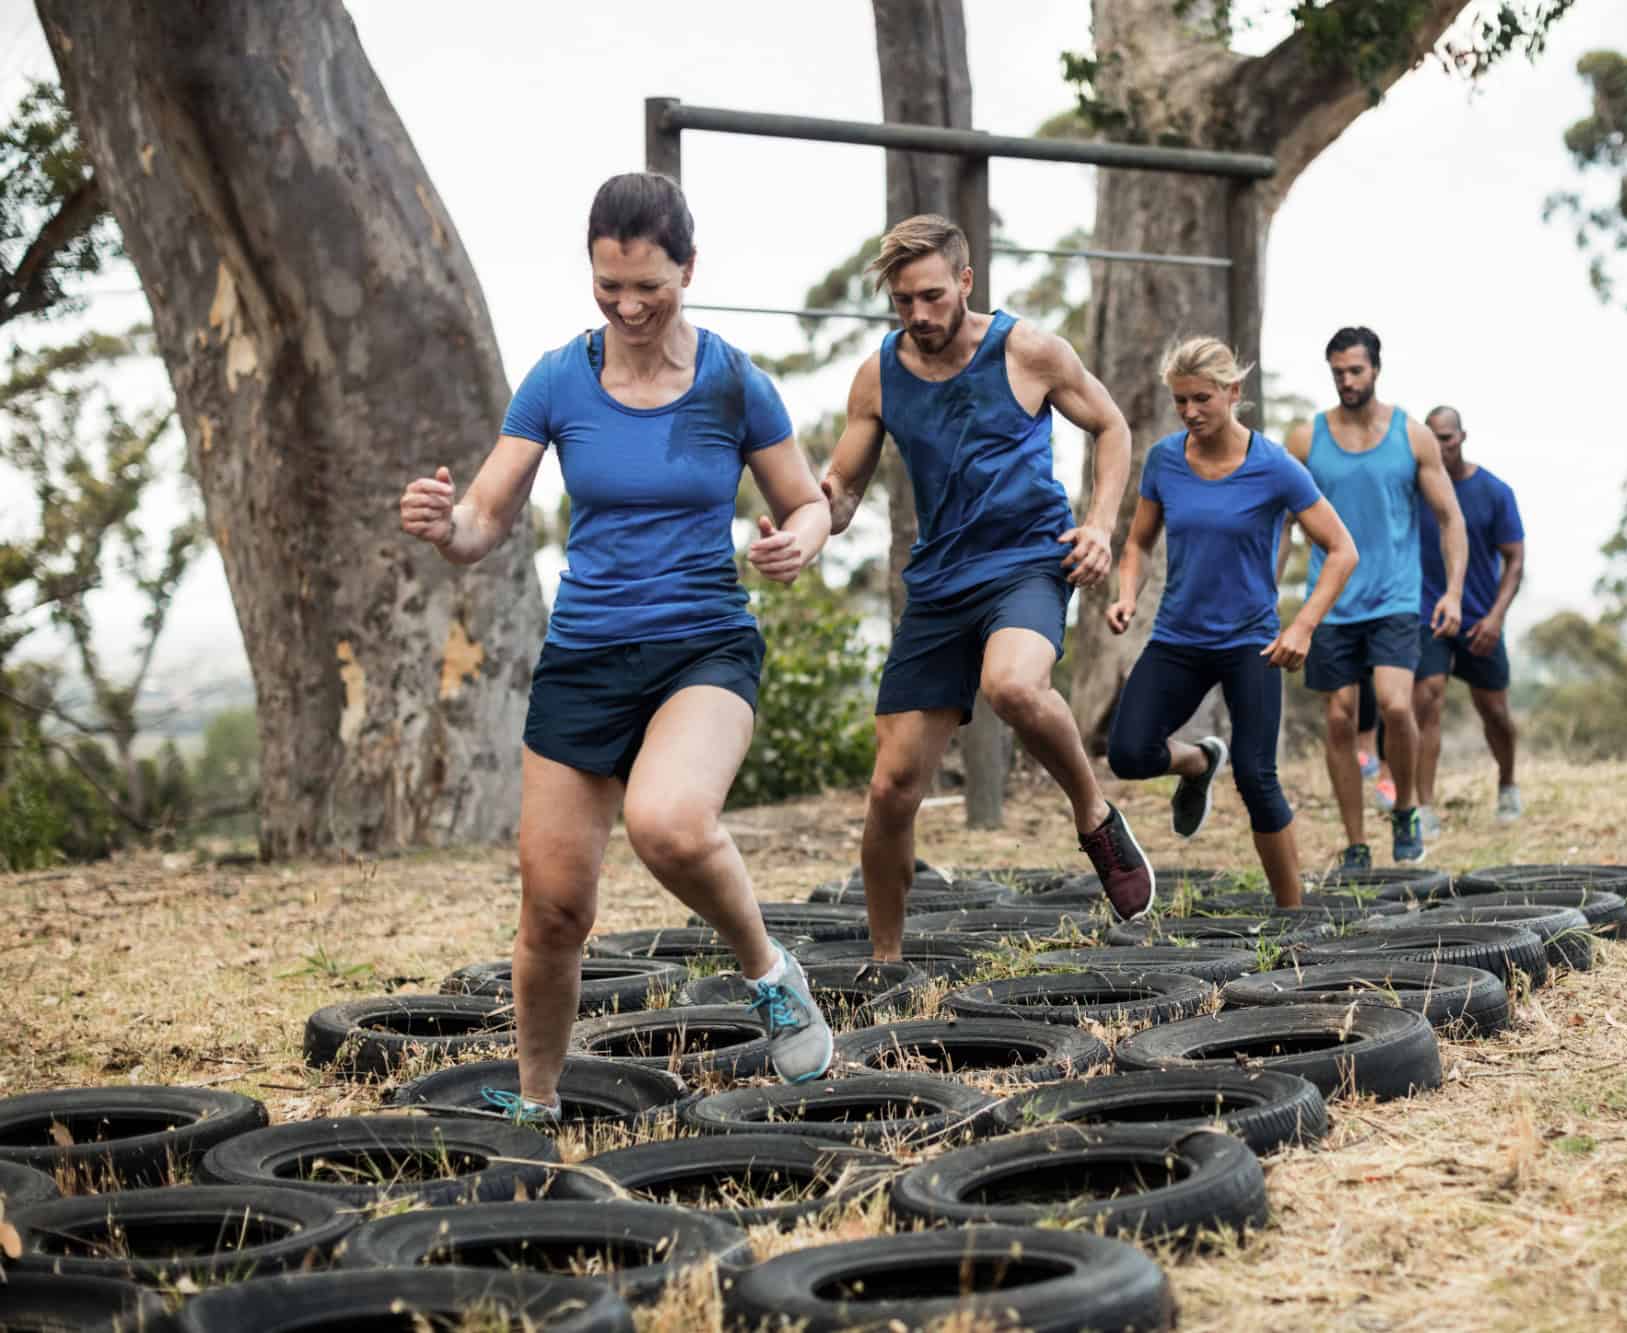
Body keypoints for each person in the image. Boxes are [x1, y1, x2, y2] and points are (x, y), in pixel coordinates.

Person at [396, 173, 836, 1121]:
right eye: (609, 288)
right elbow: (483, 517)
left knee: (670, 822)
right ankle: (539, 1099)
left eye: (650, 287)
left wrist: (798, 538)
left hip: (701, 647)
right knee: (555, 909)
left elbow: (807, 501)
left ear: (689, 268)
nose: (630, 307)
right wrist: (444, 526)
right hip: (587, 654)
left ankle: (770, 972)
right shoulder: (560, 376)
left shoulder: (731, 379)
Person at [820, 214, 1154, 958]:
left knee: (1012, 686)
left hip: (1028, 559)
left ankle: (1093, 813)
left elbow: (1112, 426)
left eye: (933, 296)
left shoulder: (1028, 348)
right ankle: (886, 960)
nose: (920, 315)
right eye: (904, 301)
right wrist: (814, 511)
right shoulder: (880, 374)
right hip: (939, 584)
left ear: (966, 282)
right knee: (891, 789)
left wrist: (1099, 524)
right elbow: (842, 489)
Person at [1103, 337, 1357, 906]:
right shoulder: (1166, 459)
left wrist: (1302, 627)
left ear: (1233, 393)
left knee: (1256, 775)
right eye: (1181, 402)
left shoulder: (1274, 467)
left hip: (1252, 641)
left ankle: (1292, 913)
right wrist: (1126, 595)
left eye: (1202, 399)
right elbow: (1139, 543)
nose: (1190, 413)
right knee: (1128, 753)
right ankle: (1197, 763)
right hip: (1178, 637)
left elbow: (1342, 549)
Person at [1284, 326, 1467, 868]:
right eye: (1338, 372)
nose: (1346, 381)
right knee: (1340, 719)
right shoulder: (1305, 440)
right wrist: (1268, 595)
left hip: (1395, 598)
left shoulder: (1411, 436)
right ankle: (1356, 843)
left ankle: (1406, 807)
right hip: (1332, 600)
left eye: (1355, 371)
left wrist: (1453, 593)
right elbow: (1285, 526)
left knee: (1394, 705)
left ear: (1376, 370)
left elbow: (1450, 519)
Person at [1413, 406, 1525, 828]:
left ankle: (1508, 785)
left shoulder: (1495, 491)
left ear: (1462, 437)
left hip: (1480, 616)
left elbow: (1515, 560)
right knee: (1426, 702)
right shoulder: (1415, 489)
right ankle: (1424, 810)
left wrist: (1496, 618)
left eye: (1448, 438)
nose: (1442, 447)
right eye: (1434, 439)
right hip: (1429, 614)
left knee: (1494, 711)